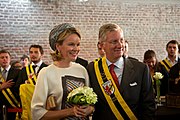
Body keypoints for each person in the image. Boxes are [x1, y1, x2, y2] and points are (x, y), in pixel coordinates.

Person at [87, 23, 155, 120]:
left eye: (121, 40)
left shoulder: (141, 69)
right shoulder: (92, 69)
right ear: (102, 45)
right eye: (114, 42)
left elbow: (149, 106)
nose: (120, 45)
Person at [31, 23, 94, 120]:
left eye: (78, 44)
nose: (76, 49)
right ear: (58, 46)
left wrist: (89, 109)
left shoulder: (81, 70)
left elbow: (92, 104)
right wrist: (70, 111)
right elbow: (36, 113)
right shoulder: (46, 73)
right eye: (71, 44)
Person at [15, 45, 48, 119]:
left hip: (44, 105)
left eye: (36, 52)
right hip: (28, 106)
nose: (33, 54)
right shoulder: (24, 70)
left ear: (41, 54)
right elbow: (17, 87)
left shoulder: (47, 68)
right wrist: (25, 86)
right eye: (31, 52)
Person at [0, 50, 21, 120]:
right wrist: (1, 87)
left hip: (13, 107)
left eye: (6, 57)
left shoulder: (18, 72)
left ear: (10, 59)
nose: (4, 59)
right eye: (2, 57)